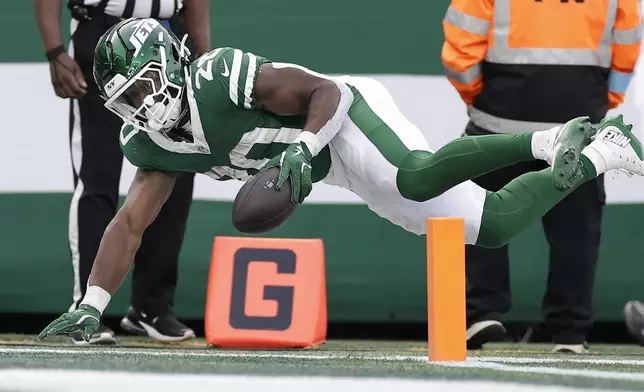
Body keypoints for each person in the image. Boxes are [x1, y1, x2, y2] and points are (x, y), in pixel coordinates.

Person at [37, 18, 644, 342]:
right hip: (328, 167)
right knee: (490, 227)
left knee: (414, 176)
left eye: (144, 88)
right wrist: (91, 305)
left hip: (342, 116)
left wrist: (303, 145)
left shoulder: (218, 76)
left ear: (169, 68)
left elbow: (325, 91)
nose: (141, 107)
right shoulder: (150, 139)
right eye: (127, 101)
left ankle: (547, 140)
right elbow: (130, 221)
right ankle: (602, 154)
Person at [441, 0, 642, 353]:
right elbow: (627, 49)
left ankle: (480, 312)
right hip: (577, 122)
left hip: (498, 122)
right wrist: (601, 101)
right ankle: (570, 332)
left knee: (473, 209)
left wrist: (480, 100)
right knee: (576, 232)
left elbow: (460, 52)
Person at [33, 0, 211, 344]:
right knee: (97, 175)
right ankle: (86, 308)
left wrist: (202, 59)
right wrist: (55, 50)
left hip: (168, 35)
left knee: (175, 169)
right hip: (105, 35)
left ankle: (152, 307)